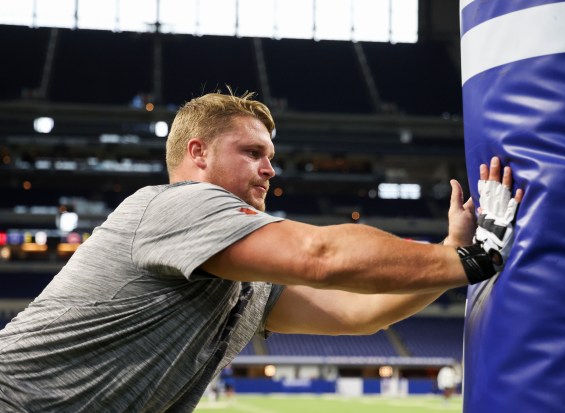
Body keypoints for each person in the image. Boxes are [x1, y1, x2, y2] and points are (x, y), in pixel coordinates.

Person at [0, 90, 523, 412]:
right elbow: (320, 253)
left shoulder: (244, 281)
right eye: (252, 152)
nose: (270, 168)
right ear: (197, 153)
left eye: (271, 155)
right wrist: (472, 259)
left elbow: (359, 314)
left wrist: (452, 253)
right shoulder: (174, 206)